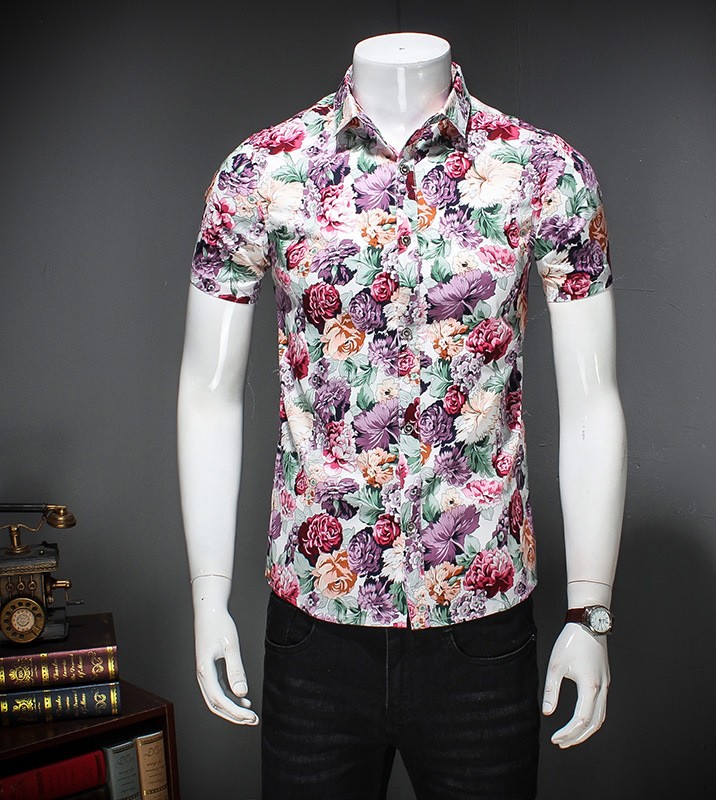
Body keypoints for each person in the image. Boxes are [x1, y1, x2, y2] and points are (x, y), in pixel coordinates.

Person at [177, 31, 626, 800]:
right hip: (315, 634)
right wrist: (206, 594)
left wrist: (591, 614)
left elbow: (594, 400)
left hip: (481, 634)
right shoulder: (264, 170)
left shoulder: (544, 171)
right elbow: (206, 390)